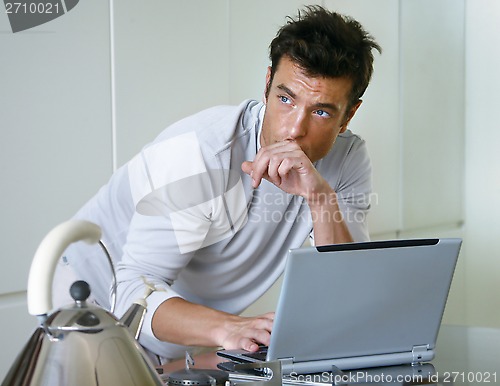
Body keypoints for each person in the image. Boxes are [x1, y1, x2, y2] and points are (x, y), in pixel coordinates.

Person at [55, 5, 381, 364]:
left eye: (320, 111)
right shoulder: (200, 154)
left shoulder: (348, 161)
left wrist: (321, 198)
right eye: (285, 99)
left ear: (348, 115)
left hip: (178, 324)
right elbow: (132, 290)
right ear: (267, 83)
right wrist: (230, 328)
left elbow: (345, 291)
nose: (293, 129)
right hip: (91, 300)